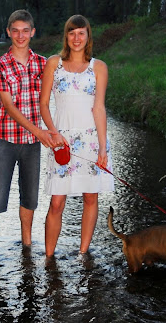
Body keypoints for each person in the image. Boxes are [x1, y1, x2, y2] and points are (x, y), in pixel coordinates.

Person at [0, 9, 57, 257]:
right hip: (4, 140)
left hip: (32, 144)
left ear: (33, 32)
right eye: (15, 31)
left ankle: (27, 246)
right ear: (8, 32)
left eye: (25, 31)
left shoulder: (44, 64)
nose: (20, 35)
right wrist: (40, 132)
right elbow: (9, 107)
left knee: (30, 199)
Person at [40, 14, 114, 257]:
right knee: (57, 202)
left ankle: (83, 254)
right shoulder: (54, 64)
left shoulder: (99, 67)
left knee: (90, 197)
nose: (76, 38)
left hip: (91, 141)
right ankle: (49, 257)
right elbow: (43, 105)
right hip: (61, 141)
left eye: (81, 33)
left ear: (88, 36)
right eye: (72, 33)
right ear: (66, 36)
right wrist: (54, 134)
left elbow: (99, 108)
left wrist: (102, 147)